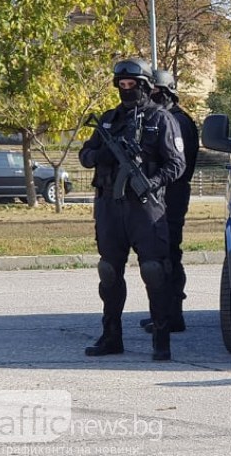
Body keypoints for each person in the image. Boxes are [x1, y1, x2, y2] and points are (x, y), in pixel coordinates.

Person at [79, 58, 185, 361]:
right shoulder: (109, 120)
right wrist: (103, 155)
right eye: (122, 85)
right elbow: (85, 155)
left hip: (145, 207)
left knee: (154, 271)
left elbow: (177, 164)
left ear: (146, 87)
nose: (127, 90)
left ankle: (161, 340)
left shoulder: (162, 119)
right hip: (110, 207)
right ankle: (111, 336)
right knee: (109, 271)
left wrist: (152, 181)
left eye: (133, 85)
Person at [139, 69, 200, 335]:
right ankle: (165, 312)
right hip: (165, 193)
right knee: (163, 253)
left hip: (172, 194)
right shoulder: (168, 117)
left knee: (168, 253)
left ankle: (172, 315)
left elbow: (176, 164)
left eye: (151, 91)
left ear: (163, 92)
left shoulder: (177, 121)